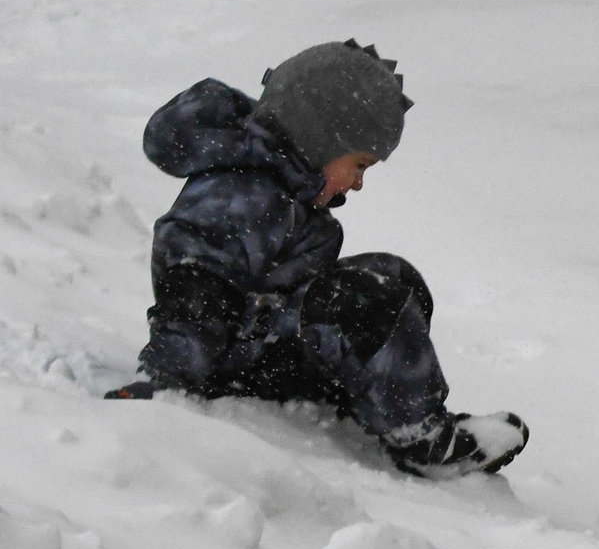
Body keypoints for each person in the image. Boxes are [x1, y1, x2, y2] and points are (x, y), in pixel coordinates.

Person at [103, 40, 529, 480]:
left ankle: (373, 402)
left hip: (263, 343)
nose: (359, 184)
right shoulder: (241, 193)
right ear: (320, 140)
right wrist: (170, 383)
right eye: (359, 165)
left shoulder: (279, 186)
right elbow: (196, 288)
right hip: (227, 359)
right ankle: (422, 440)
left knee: (392, 276)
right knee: (367, 302)